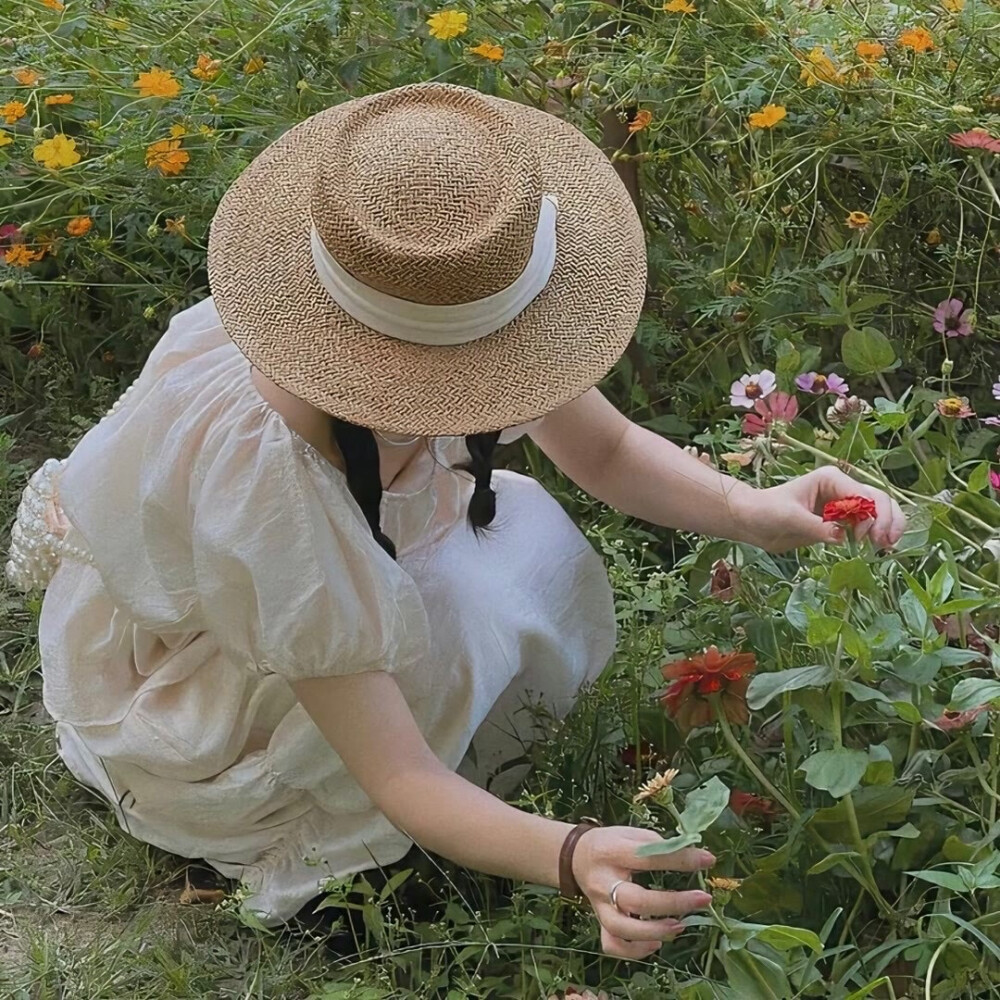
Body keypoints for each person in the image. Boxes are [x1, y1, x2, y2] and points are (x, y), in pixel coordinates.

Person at [6, 82, 904, 959]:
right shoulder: (272, 486)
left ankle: (475, 745)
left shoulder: (426, 301)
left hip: (336, 573)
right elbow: (400, 774)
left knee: (520, 530)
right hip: (232, 651)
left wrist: (752, 510)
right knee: (452, 623)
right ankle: (325, 859)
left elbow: (608, 451)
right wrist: (569, 852)